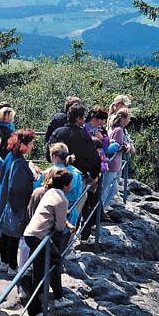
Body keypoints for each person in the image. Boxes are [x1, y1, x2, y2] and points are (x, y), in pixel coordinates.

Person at [23, 167, 75, 316]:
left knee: (40, 268)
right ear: (66, 185)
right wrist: (64, 218)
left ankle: (41, 301)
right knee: (54, 262)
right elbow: (59, 227)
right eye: (70, 183)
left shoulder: (50, 192)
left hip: (31, 233)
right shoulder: (62, 199)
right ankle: (52, 299)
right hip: (40, 236)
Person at [48, 103, 101, 246]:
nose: (85, 120)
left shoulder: (58, 132)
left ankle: (51, 244)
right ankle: (67, 246)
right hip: (77, 180)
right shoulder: (84, 135)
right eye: (83, 117)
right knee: (73, 213)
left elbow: (48, 155)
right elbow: (95, 159)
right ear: (78, 118)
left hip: (56, 176)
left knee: (53, 211)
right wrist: (92, 176)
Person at [0, 129, 36, 277]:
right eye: (31, 143)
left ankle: (4, 263)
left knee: (5, 234)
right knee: (13, 235)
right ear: (23, 145)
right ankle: (13, 267)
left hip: (5, 198)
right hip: (15, 204)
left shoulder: (9, 156)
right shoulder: (20, 163)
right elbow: (19, 187)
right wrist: (33, 179)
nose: (32, 146)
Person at [34, 143, 84, 260]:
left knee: (51, 240)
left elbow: (37, 188)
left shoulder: (48, 172)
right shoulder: (76, 173)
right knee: (64, 238)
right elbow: (78, 194)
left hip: (51, 211)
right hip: (70, 211)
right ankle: (67, 253)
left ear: (54, 156)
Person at [102, 108, 131, 211]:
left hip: (111, 162)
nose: (129, 120)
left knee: (108, 187)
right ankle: (100, 211)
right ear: (122, 118)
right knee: (109, 188)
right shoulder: (119, 130)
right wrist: (124, 147)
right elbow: (117, 146)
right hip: (113, 163)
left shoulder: (113, 128)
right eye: (128, 118)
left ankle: (101, 210)